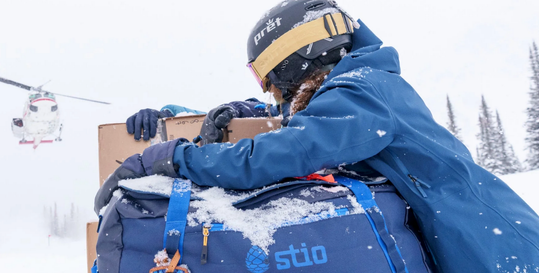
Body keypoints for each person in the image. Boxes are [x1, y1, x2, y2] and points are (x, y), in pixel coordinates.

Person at [97, 0, 539, 270]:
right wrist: (178, 117)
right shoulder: (357, 87)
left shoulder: (363, 91)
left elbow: (289, 149)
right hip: (466, 246)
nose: (273, 95)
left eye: (270, 80)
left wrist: (177, 157)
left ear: (298, 61)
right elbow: (291, 121)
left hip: (493, 251)